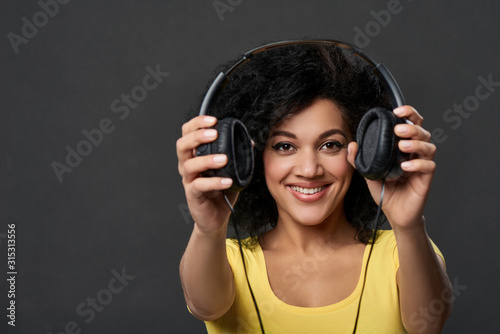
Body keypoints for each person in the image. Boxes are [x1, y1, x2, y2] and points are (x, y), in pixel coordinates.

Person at [177, 41, 452, 333]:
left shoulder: (402, 251)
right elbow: (204, 306)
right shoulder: (226, 259)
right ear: (253, 157)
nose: (309, 170)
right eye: (285, 146)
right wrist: (208, 228)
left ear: (367, 151)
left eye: (330, 145)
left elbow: (428, 323)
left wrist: (409, 225)